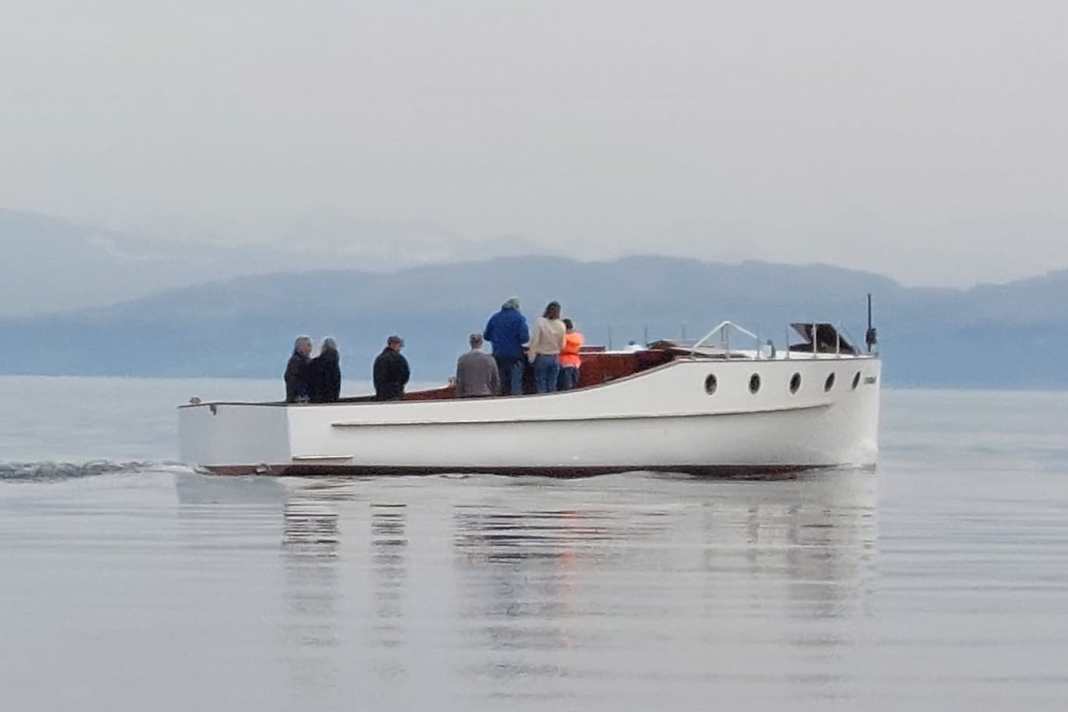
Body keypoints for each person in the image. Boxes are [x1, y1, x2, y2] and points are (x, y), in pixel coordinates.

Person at [483, 297, 529, 396]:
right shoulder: (519, 318)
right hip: (515, 356)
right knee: (516, 384)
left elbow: (486, 336)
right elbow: (525, 338)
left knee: (502, 384)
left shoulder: (494, 318)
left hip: (498, 355)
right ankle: (516, 402)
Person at [527, 301, 566, 393]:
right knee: (552, 384)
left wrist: (531, 357)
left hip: (542, 357)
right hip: (555, 357)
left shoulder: (540, 322)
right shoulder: (561, 325)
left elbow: (535, 341)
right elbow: (562, 345)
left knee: (541, 383)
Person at [454, 333, 500, 398]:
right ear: (481, 343)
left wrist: (459, 397)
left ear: (470, 343)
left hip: (468, 396)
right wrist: (495, 395)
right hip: (486, 395)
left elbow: (459, 381)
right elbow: (496, 381)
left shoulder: (462, 360)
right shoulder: (490, 359)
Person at [373, 335, 410, 401]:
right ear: (393, 344)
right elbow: (405, 376)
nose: (400, 348)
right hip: (395, 394)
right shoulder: (398, 358)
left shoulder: (379, 358)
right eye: (399, 346)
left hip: (381, 395)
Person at [308, 337, 342, 403]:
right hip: (332, 401)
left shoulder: (316, 363)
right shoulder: (336, 366)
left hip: (317, 400)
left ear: (323, 347)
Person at [284, 335, 313, 403]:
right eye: (308, 345)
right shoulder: (296, 361)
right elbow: (293, 380)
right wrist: (300, 395)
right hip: (298, 398)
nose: (310, 348)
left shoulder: (305, 361)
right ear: (300, 347)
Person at [558, 318, 584, 391]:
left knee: (565, 386)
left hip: (565, 362)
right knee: (574, 384)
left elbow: (561, 348)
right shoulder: (578, 336)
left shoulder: (563, 337)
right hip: (576, 362)